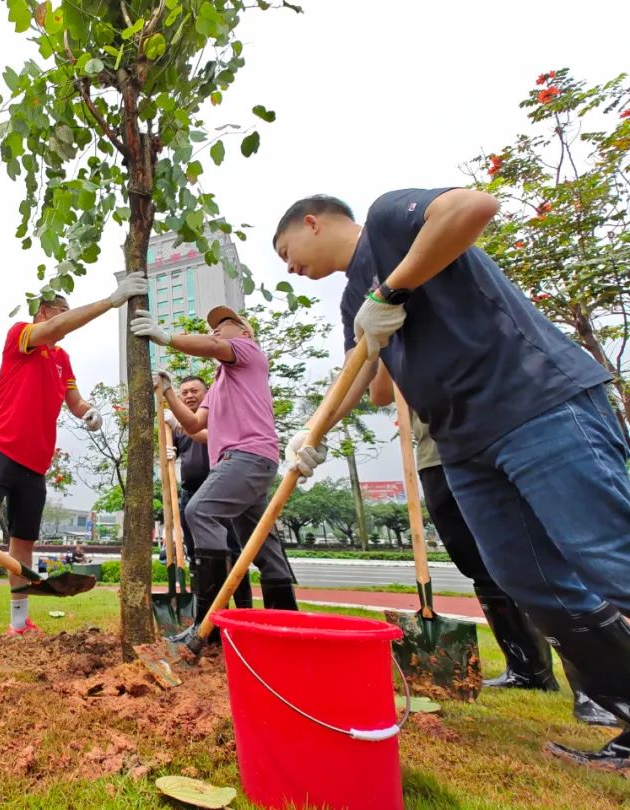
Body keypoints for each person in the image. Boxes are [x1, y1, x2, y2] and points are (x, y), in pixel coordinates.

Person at [273, 189, 630, 768]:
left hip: (534, 404)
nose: (290, 267)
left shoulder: (390, 221)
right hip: (464, 443)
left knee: (607, 556)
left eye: (288, 250)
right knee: (530, 580)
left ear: (313, 222)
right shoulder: (351, 302)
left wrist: (393, 290)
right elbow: (371, 378)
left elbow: (474, 209)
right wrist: (311, 433)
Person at [369, 361, 616, 726]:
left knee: (545, 562)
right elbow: (379, 393)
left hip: (496, 437)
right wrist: (386, 346)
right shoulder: (384, 324)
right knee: (477, 563)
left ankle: (596, 687)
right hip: (434, 453)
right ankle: (527, 669)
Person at [0, 274, 147, 658]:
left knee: (23, 541)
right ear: (45, 311)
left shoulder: (62, 358)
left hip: (36, 462)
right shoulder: (22, 334)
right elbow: (54, 329)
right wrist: (110, 302)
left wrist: (88, 412)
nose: (66, 325)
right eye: (62, 314)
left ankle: (19, 622)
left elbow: (73, 398)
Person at [132, 306, 297, 650]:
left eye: (225, 325)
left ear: (245, 333)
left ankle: (206, 630)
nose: (218, 332)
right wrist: (168, 393)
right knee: (262, 546)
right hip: (246, 463)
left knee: (199, 512)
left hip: (247, 458)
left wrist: (165, 337)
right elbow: (193, 426)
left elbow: (211, 347)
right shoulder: (222, 384)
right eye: (215, 328)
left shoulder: (249, 353)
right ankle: (286, 627)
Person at [165, 375, 253, 610]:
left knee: (232, 550)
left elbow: (212, 438)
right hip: (190, 493)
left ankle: (243, 608)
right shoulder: (176, 426)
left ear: (207, 395)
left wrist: (180, 425)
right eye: (183, 393)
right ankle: (205, 611)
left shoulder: (217, 418)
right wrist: (166, 453)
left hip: (220, 493)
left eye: (194, 391)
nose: (188, 396)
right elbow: (170, 451)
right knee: (197, 552)